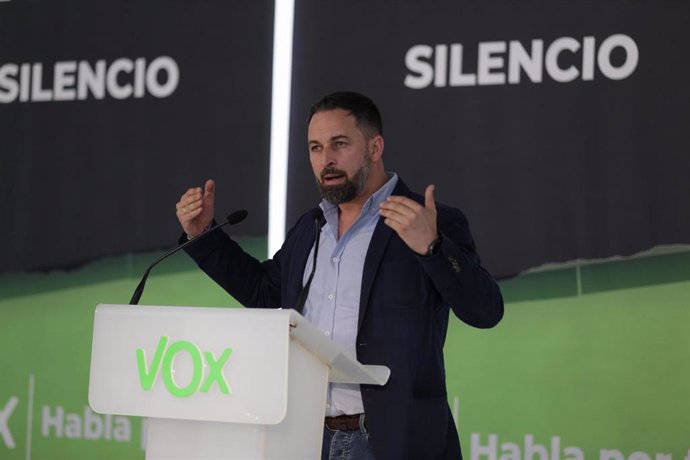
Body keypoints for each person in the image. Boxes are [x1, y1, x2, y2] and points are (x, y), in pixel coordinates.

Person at [175, 91, 503, 459]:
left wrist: (434, 247)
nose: (326, 160)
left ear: (375, 147)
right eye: (315, 148)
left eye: (339, 144)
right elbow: (266, 294)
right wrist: (203, 236)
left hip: (391, 441)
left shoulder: (428, 220)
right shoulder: (311, 226)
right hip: (307, 437)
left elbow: (485, 311)